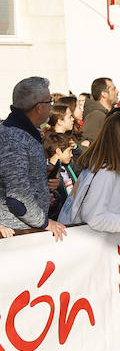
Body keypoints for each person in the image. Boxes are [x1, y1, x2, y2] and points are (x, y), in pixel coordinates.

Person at [0, 77, 67, 240]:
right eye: (50, 101)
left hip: (27, 229)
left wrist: (44, 187)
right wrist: (45, 223)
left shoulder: (26, 132)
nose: (52, 106)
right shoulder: (13, 139)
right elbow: (17, 198)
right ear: (38, 108)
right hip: (17, 234)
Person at [83, 77, 118, 144]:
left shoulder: (109, 114)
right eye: (113, 89)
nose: (117, 91)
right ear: (104, 94)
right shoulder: (96, 116)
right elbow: (87, 145)